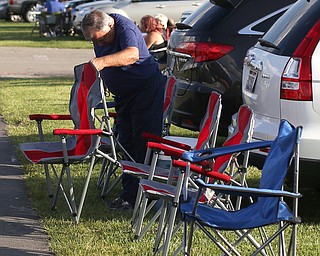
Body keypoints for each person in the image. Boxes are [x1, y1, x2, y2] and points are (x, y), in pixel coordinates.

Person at [81, 10, 166, 210]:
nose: (98, 44)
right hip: (125, 97)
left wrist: (100, 62)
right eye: (94, 41)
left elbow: (132, 54)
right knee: (126, 142)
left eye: (100, 40)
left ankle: (146, 197)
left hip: (145, 91)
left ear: (110, 26)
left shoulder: (124, 26)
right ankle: (129, 195)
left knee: (143, 142)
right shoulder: (99, 30)